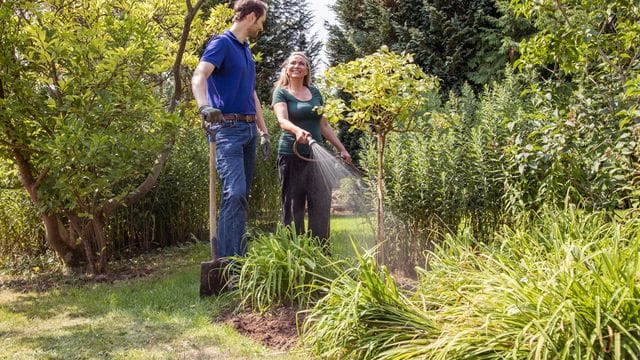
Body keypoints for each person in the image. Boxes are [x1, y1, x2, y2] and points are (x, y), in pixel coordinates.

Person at [191, 0, 270, 258]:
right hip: (226, 130)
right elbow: (199, 75)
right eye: (261, 21)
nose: (262, 27)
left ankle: (239, 260)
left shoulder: (245, 50)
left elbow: (252, 94)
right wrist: (204, 107)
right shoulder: (222, 43)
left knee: (240, 198)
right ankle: (227, 263)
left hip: (248, 131)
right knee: (234, 193)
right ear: (250, 16)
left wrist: (263, 131)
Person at [272, 52, 352, 248]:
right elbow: (283, 121)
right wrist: (298, 130)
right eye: (293, 63)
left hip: (317, 158)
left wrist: (342, 149)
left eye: (301, 63)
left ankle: (320, 253)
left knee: (321, 205)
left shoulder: (315, 93)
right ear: (287, 68)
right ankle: (294, 253)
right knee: (293, 207)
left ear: (307, 69)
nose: (297, 66)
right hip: (291, 156)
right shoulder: (281, 93)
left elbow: (324, 125)